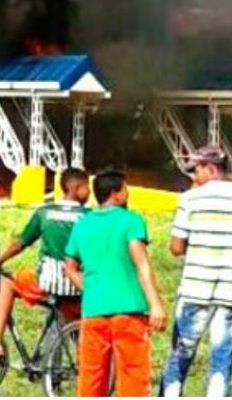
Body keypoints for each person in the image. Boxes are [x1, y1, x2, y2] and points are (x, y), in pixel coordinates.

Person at [161, 146, 232, 398]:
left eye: (195, 171)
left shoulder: (189, 200)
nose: (193, 178)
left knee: (181, 354)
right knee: (222, 357)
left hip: (195, 289)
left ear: (210, 169)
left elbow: (176, 247)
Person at [64, 170, 167, 397]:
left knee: (91, 379)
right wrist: (156, 304)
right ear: (116, 194)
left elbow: (69, 266)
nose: (128, 193)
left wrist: (88, 288)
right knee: (133, 379)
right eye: (125, 189)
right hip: (128, 312)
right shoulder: (131, 221)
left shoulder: (83, 224)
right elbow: (142, 264)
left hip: (93, 312)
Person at [0, 169, 91, 375]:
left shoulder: (44, 212)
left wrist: (0, 260)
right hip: (77, 286)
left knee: (7, 282)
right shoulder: (89, 217)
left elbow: (21, 243)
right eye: (87, 187)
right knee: (80, 332)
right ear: (75, 188)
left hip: (47, 283)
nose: (90, 192)